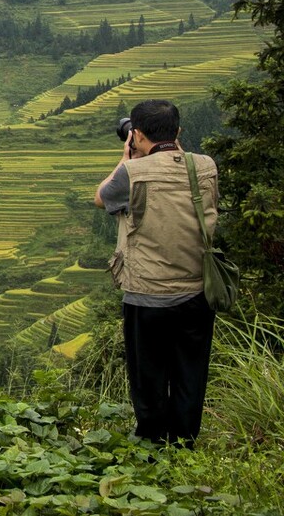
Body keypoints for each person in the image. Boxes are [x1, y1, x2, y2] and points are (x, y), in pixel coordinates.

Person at [93, 99, 218, 446]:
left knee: (148, 376)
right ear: (178, 131)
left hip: (147, 294)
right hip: (196, 290)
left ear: (136, 135)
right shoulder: (206, 167)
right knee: (190, 373)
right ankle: (185, 443)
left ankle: (152, 443)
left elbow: (102, 198)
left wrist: (127, 158)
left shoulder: (132, 173)